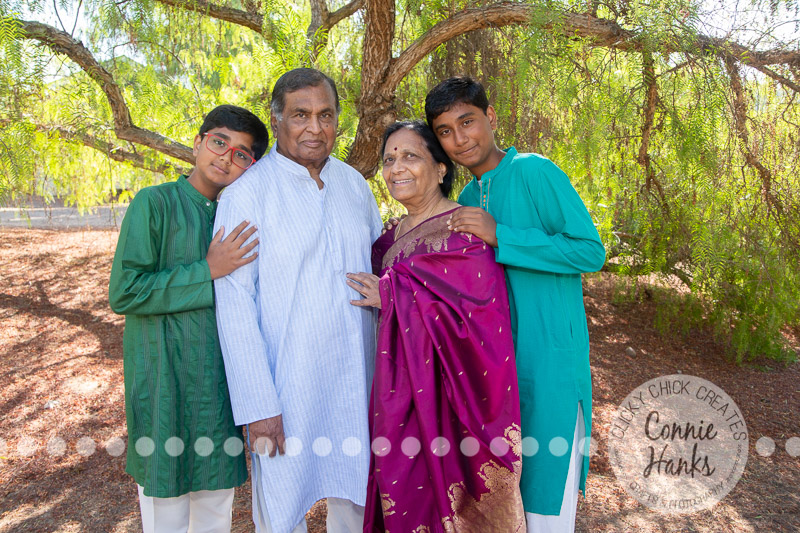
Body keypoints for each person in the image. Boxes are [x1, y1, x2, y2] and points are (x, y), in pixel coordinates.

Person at [426, 77, 606, 533]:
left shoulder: (534, 171)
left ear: (491, 118)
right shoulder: (465, 199)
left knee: (546, 506)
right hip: (495, 371)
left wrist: (500, 235)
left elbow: (589, 250)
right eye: (445, 131)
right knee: (506, 505)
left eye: (467, 122)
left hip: (548, 367)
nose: (460, 138)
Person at [213, 68, 382, 533]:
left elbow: (381, 266)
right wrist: (258, 406)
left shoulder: (354, 185)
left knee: (360, 499)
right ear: (278, 118)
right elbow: (235, 307)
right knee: (284, 508)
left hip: (357, 377)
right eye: (300, 115)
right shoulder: (247, 194)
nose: (314, 128)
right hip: (285, 388)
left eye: (325, 115)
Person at [347, 121, 525, 532]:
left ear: (441, 168)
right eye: (389, 159)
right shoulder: (390, 236)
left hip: (452, 403)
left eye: (410, 156)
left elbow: (479, 320)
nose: (396, 168)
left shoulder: (463, 229)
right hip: (398, 397)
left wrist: (393, 294)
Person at [109, 104, 269, 533]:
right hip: (163, 379)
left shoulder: (240, 217)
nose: (226, 157)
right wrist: (206, 270)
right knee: (166, 508)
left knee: (216, 508)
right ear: (198, 143)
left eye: (242, 154)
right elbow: (125, 291)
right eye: (219, 142)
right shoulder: (154, 203)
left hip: (218, 387)